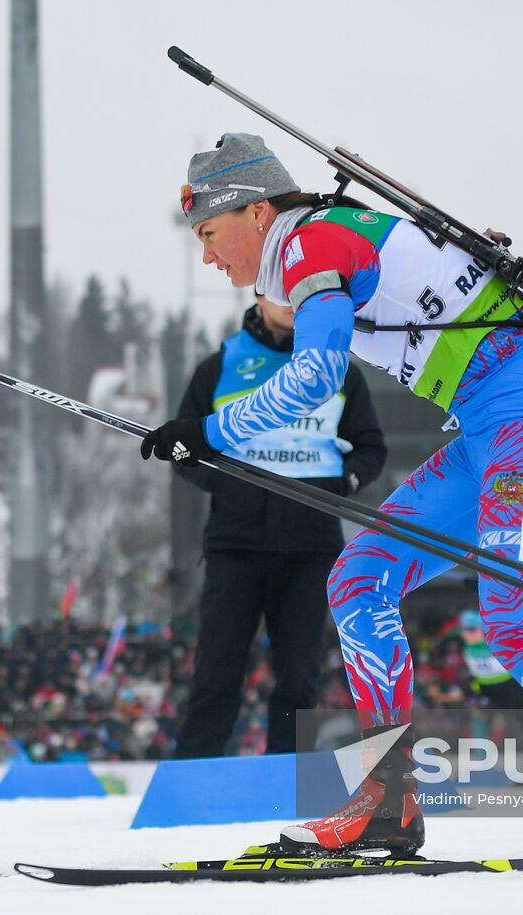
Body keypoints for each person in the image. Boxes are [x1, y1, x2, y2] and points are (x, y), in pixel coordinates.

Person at [141, 133, 523, 856]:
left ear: (256, 212)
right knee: (357, 578)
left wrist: (214, 431)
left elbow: (316, 376)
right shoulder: (334, 234)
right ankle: (389, 796)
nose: (207, 256)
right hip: (491, 432)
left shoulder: (305, 247)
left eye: (209, 232)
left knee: (520, 627)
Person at [171, 293, 387, 758]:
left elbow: (371, 448)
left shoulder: (341, 372)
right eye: (279, 293)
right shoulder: (220, 365)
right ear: (258, 295)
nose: (290, 303)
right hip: (235, 544)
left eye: (300, 294)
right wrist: (225, 485)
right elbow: (182, 448)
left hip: (311, 547)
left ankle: (287, 783)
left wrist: (341, 482)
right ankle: (193, 776)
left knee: (299, 674)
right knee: (216, 669)